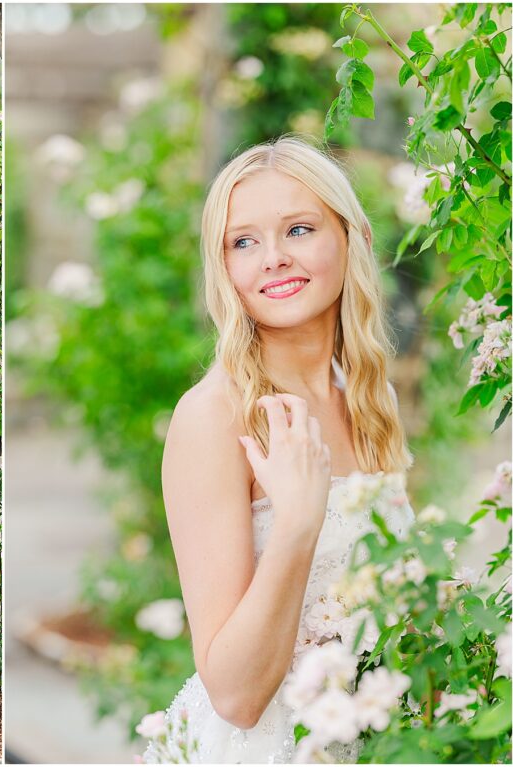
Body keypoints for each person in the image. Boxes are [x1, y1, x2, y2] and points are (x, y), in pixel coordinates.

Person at [143, 136, 414, 763]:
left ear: (354, 239)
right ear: (224, 267)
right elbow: (236, 695)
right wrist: (296, 522)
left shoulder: (369, 400)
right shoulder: (215, 418)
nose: (272, 259)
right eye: (244, 241)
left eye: (298, 229)